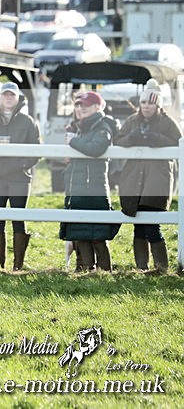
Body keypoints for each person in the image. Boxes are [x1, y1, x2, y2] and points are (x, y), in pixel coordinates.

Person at [114, 79, 181, 272]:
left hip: (156, 180)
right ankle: (141, 268)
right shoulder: (132, 120)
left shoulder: (168, 123)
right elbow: (118, 140)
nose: (146, 106)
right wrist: (131, 138)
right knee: (138, 226)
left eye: (150, 103)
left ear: (158, 104)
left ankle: (161, 268)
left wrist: (158, 140)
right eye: (143, 103)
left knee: (152, 226)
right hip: (134, 179)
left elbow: (179, 143)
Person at [0, 82, 41, 270]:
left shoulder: (28, 121)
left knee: (18, 219)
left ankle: (18, 266)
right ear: (0, 97)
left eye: (12, 95)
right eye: (5, 94)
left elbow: (36, 150)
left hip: (20, 178)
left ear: (19, 98)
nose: (9, 98)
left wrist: (21, 164)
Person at [59, 91, 119, 272]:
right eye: (77, 105)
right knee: (79, 230)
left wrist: (73, 142)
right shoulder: (78, 127)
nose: (79, 108)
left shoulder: (103, 126)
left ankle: (104, 270)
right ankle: (84, 269)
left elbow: (97, 148)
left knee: (97, 233)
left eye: (84, 105)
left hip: (93, 186)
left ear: (98, 106)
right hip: (76, 186)